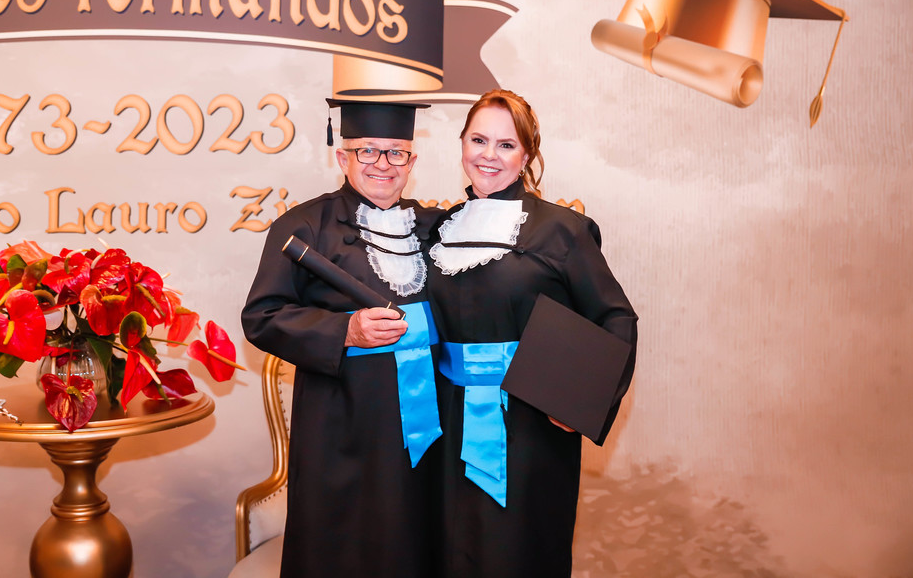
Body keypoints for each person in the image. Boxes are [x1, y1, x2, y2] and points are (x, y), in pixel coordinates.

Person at [426, 89, 638, 577]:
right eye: (479, 140)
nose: (489, 155)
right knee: (448, 550)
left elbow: (615, 317)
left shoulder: (564, 230)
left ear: (526, 156)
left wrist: (581, 403)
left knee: (517, 554)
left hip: (529, 426)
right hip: (445, 420)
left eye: (506, 145)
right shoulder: (440, 229)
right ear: (462, 144)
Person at [242, 98, 443, 578]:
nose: (382, 164)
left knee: (421, 542)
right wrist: (345, 330)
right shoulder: (303, 226)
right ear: (342, 157)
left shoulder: (437, 229)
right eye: (367, 151)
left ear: (412, 161)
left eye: (396, 152)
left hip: (428, 427)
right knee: (346, 550)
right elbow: (262, 316)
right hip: (342, 426)